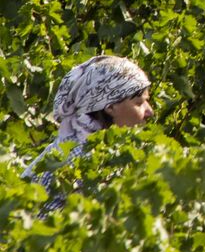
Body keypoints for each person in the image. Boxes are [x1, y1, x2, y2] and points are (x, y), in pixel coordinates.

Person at [23, 55, 154, 211]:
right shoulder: (85, 159)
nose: (150, 112)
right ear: (110, 107)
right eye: (139, 103)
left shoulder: (74, 143)